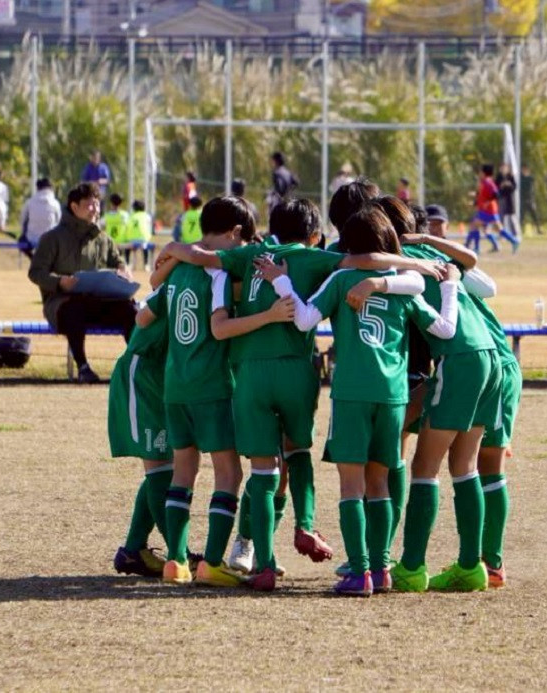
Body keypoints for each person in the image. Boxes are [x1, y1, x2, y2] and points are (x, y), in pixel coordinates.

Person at [156, 197, 445, 592]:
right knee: (298, 452)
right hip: (296, 370)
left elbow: (203, 257)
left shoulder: (250, 254)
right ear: (312, 235)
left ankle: (264, 563)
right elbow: (364, 261)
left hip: (250, 373)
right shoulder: (314, 258)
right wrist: (417, 264)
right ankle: (307, 525)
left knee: (262, 470)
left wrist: (174, 248)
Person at [257, 202, 460, 596]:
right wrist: (450, 287)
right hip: (394, 395)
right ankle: (381, 569)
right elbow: (445, 330)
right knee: (379, 482)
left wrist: (281, 282)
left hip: (352, 393)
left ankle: (359, 572)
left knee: (352, 486)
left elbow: (304, 320)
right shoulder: (402, 284)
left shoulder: (342, 278)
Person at [138, 196, 296, 587]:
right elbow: (220, 328)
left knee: (184, 470)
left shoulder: (178, 270)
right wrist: (269, 315)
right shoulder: (217, 272)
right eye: (242, 242)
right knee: (229, 472)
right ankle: (210, 562)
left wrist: (172, 257)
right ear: (235, 233)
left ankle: (176, 561)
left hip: (175, 385)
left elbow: (143, 316)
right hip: (210, 385)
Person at [378, 195, 500, 593]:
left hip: (458, 359)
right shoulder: (431, 251)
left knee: (424, 466)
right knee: (464, 465)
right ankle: (470, 566)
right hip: (491, 357)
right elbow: (474, 269)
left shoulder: (398, 259)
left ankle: (412, 567)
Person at [28, 182, 135, 384]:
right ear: (74, 206)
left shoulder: (104, 239)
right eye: (89, 205)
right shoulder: (52, 238)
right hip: (61, 304)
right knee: (74, 309)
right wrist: (60, 282)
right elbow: (36, 272)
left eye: (97, 204)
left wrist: (124, 272)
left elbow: (119, 262)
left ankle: (139, 367)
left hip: (98, 302)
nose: (95, 209)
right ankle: (83, 367)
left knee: (131, 309)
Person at [108, 313, 173, 579]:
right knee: (160, 469)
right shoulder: (173, 288)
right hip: (144, 372)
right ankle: (180, 554)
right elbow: (143, 316)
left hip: (164, 373)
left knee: (169, 467)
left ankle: (134, 549)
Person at [466, 164, 519, 254]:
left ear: (484, 173)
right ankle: (513, 241)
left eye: (480, 171)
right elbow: (483, 196)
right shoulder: (484, 182)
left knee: (475, 225)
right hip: (487, 210)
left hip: (489, 210)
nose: (479, 173)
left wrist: (487, 202)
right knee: (496, 229)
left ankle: (476, 248)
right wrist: (475, 202)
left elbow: (496, 194)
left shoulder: (488, 182)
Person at [20, 178, 61, 258]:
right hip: (50, 240)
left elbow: (23, 219)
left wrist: (23, 233)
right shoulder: (55, 203)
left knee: (21, 241)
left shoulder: (29, 202)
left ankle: (33, 258)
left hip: (31, 240)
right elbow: (59, 222)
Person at [127, 199, 153, 271]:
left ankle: (128, 263)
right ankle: (146, 264)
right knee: (145, 247)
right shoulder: (147, 216)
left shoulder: (131, 216)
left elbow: (128, 227)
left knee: (128, 248)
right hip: (144, 239)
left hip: (132, 240)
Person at [496, 163, 519, 240]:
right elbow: (495, 187)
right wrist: (501, 185)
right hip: (501, 198)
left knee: (512, 216)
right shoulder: (498, 177)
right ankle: (501, 234)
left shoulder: (510, 176)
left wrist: (509, 185)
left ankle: (515, 233)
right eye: (502, 168)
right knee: (501, 217)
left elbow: (515, 187)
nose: (503, 169)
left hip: (509, 198)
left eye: (505, 168)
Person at [519, 164, 540, 235]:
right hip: (523, 199)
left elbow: (533, 190)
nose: (524, 171)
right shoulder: (520, 178)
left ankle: (538, 229)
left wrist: (533, 201)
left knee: (534, 215)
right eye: (523, 169)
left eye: (526, 169)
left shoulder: (531, 178)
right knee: (521, 216)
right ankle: (520, 229)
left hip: (530, 199)